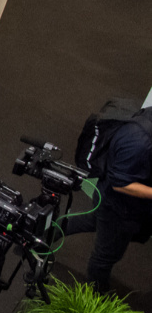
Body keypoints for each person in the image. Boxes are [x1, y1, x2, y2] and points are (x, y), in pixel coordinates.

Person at [60, 103, 152, 292]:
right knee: (106, 256)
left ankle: (42, 233)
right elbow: (121, 182)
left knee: (92, 220)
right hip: (118, 207)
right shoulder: (139, 141)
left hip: (112, 201)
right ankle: (97, 294)